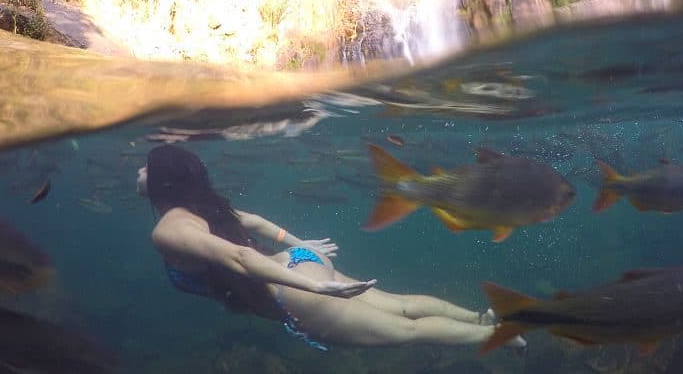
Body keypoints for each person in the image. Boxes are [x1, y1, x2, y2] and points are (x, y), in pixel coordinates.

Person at [138, 144, 524, 351]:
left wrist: (315, 289)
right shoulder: (205, 206)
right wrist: (298, 244)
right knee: (402, 305)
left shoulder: (169, 230)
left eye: (145, 169)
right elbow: (251, 224)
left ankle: (499, 337)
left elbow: (240, 256)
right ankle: (482, 319)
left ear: (160, 183)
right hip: (298, 264)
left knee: (408, 332)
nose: (139, 173)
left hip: (297, 292)